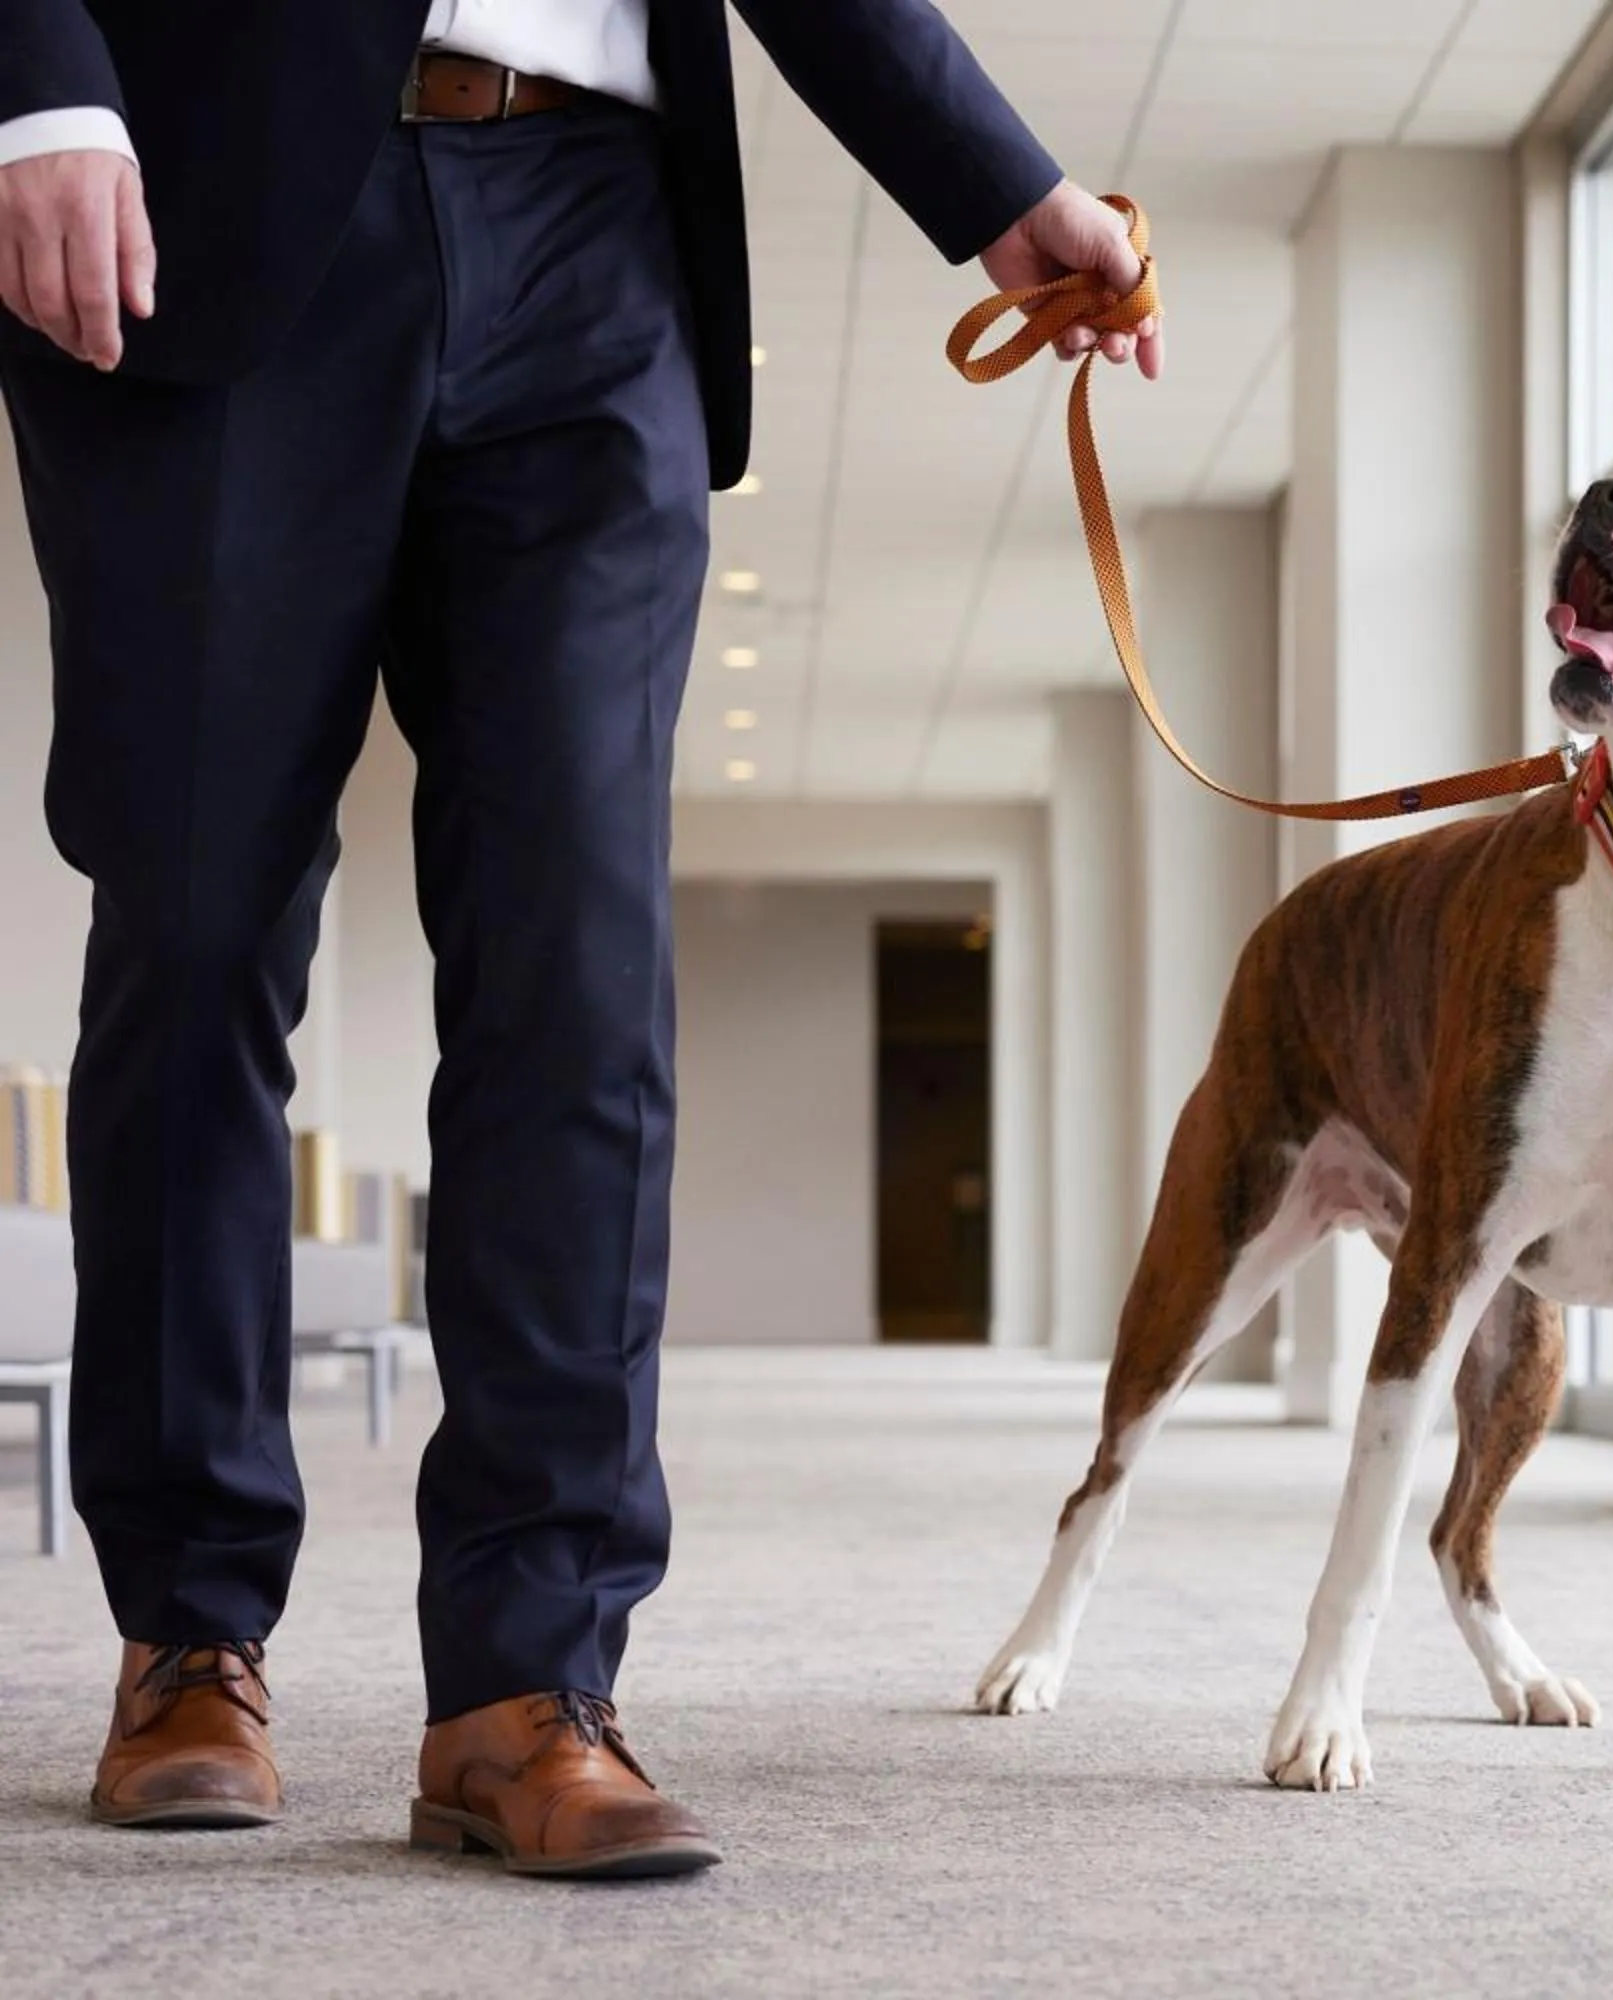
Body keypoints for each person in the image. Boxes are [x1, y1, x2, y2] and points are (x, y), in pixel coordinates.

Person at [0, 1, 1156, 1881]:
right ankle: (190, 1633)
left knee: (583, 974)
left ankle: (533, 1678)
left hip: (602, 232)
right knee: (199, 928)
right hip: (213, 190)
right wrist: (36, 75)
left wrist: (997, 181)